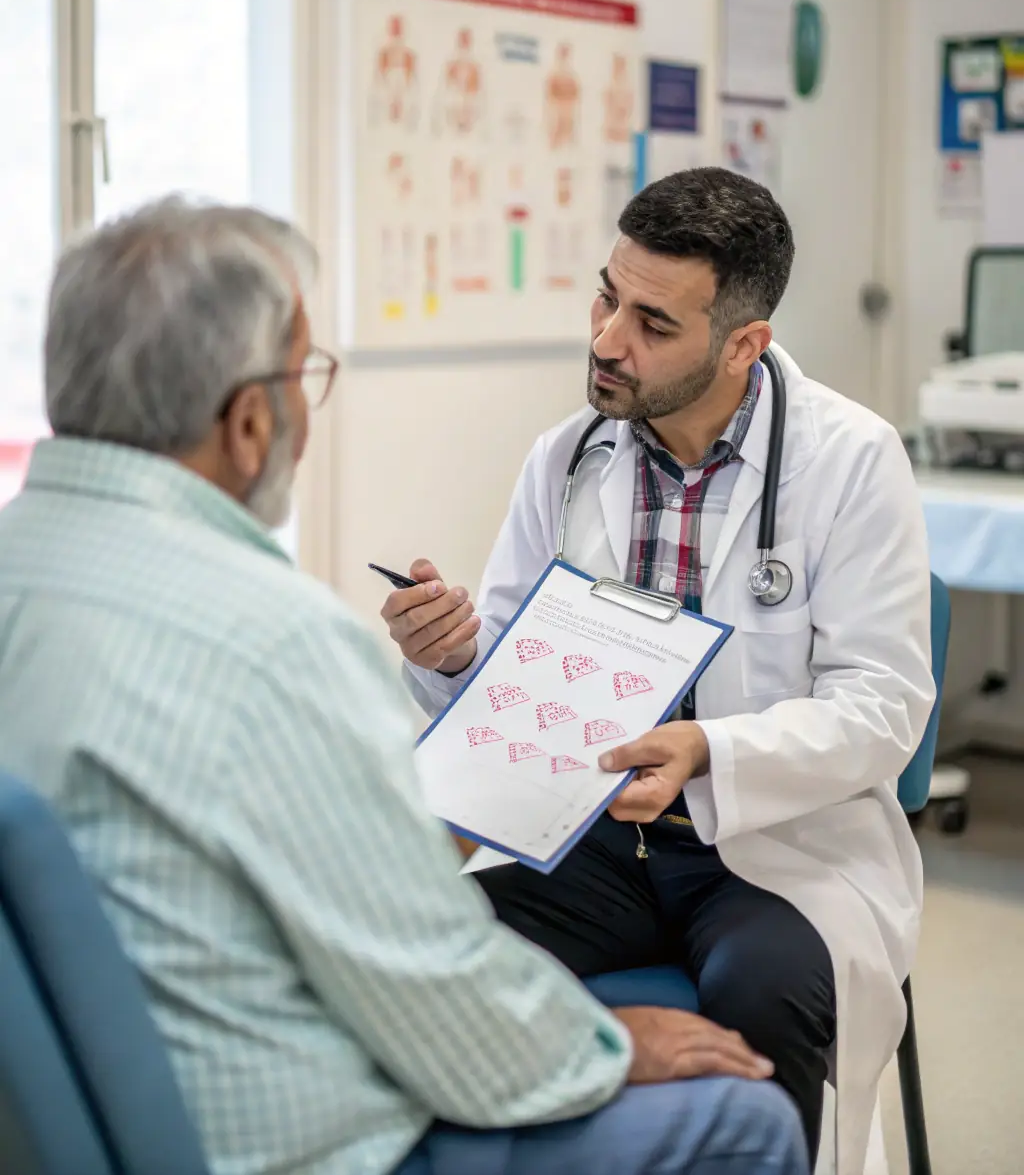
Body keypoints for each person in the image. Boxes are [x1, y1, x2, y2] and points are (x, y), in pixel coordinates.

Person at [0, 197, 807, 1175]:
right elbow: (432, 993)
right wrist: (607, 1048)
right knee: (745, 1119)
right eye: (305, 377)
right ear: (251, 422)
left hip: (73, 1104)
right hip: (279, 1131)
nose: (610, 339)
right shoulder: (277, 640)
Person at [383, 168, 936, 1175]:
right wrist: (455, 655)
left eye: (650, 321)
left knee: (762, 998)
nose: (604, 338)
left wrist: (708, 749)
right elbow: (516, 674)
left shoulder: (853, 461)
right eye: (605, 295)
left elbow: (882, 705)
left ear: (742, 344)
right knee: (422, 947)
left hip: (772, 853)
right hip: (589, 838)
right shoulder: (568, 457)